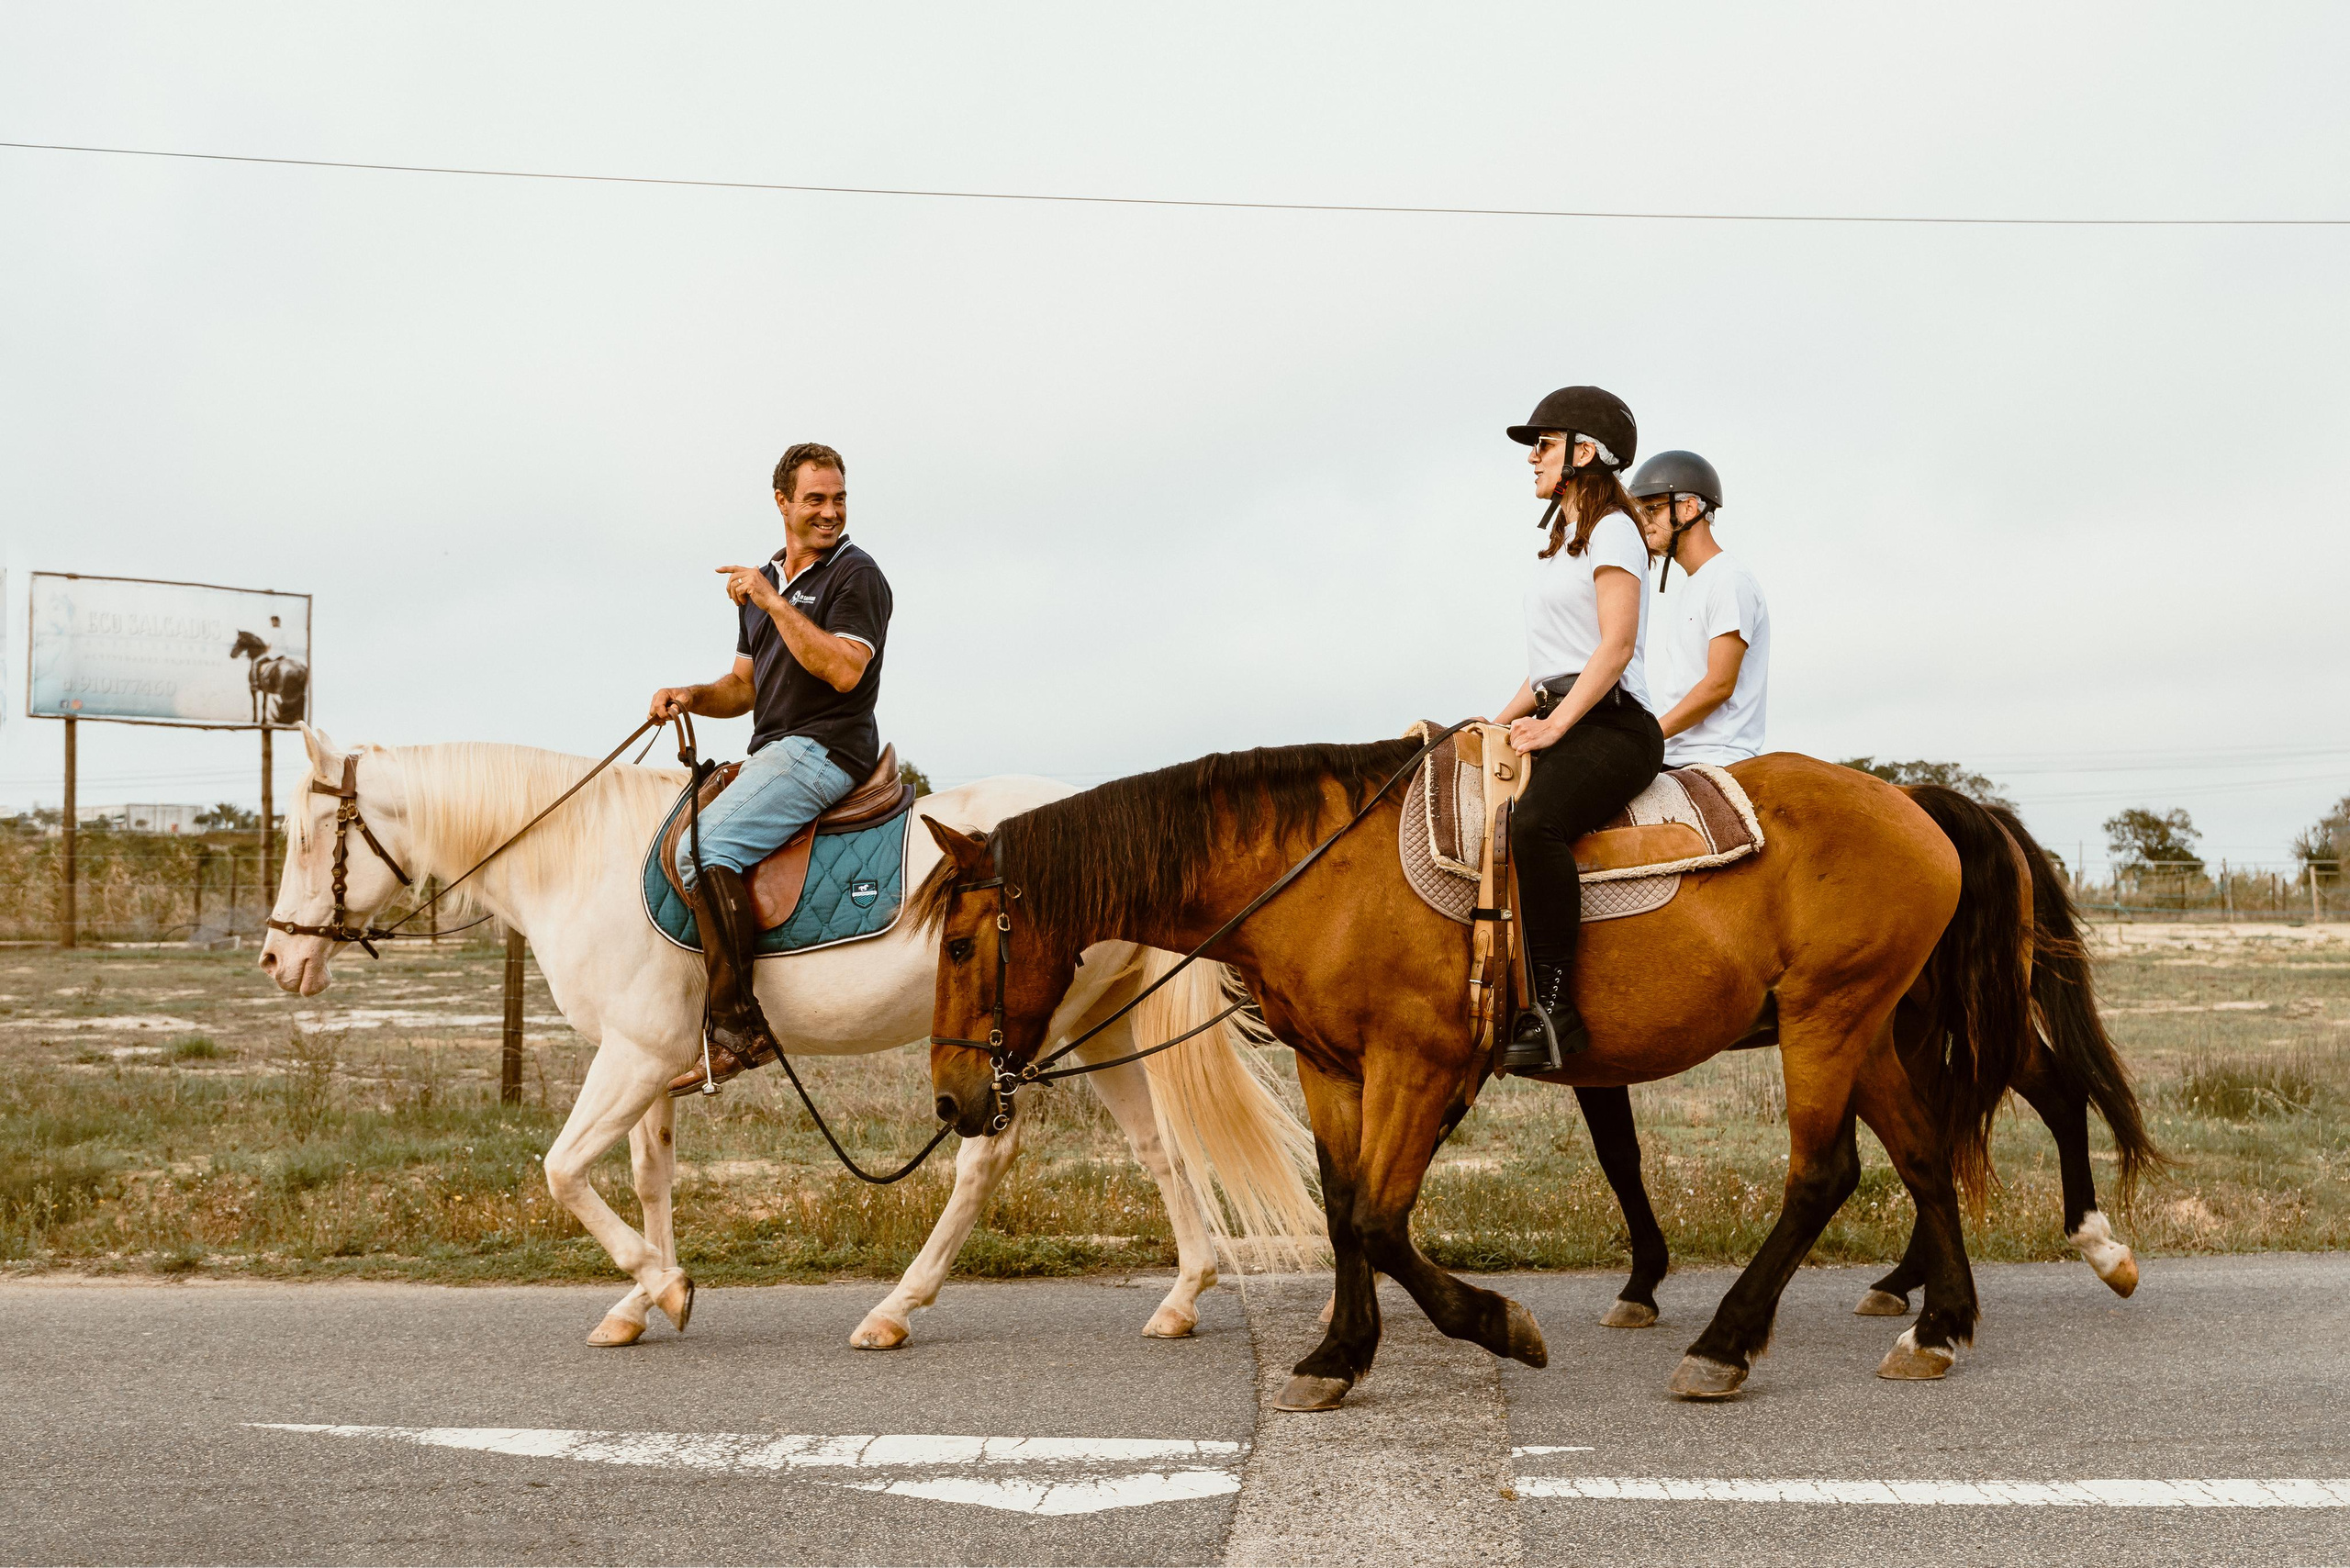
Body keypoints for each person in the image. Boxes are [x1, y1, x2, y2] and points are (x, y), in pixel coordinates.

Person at [647, 442, 892, 1091]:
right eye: (815, 499)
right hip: (776, 745)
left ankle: (737, 1030)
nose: (830, 512)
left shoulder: (855, 575)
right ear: (782, 502)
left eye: (838, 498)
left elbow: (843, 668)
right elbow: (744, 688)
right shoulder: (760, 583)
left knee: (702, 849)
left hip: (827, 748)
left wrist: (774, 601)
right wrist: (693, 697)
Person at [1494, 387, 1666, 1073]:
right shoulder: (1560, 545)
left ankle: (1554, 1006)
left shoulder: (1616, 531)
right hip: (1561, 709)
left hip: (1614, 725)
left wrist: (1556, 725)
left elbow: (1615, 648)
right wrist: (1493, 722)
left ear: (1583, 453)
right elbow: (1548, 667)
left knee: (1532, 824)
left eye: (1543, 444)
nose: (1531, 457)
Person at [1628, 451, 1770, 767]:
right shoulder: (1695, 584)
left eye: (1652, 509)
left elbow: (1719, 683)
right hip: (1681, 755)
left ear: (1689, 508)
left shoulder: (1729, 579)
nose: (1643, 523)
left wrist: (1651, 733)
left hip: (1717, 756)